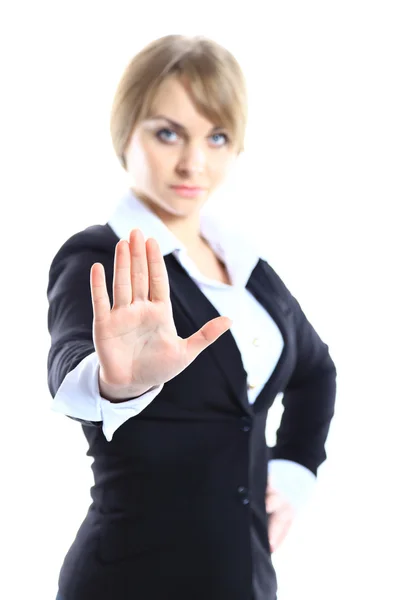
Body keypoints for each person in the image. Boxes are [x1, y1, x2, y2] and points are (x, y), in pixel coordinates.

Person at [47, 34, 336, 600]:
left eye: (217, 137)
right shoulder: (99, 254)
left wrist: (297, 470)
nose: (193, 162)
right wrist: (114, 383)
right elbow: (69, 364)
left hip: (245, 578)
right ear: (125, 132)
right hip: (131, 578)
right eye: (167, 132)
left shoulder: (245, 264)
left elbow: (315, 368)